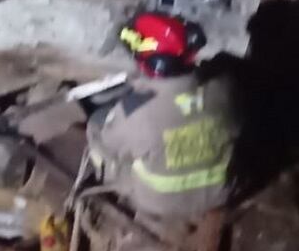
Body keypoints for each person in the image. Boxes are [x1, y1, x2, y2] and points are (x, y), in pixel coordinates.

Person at [88, 13, 239, 218]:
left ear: (145, 63)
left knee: (97, 126)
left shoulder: (134, 110)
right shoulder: (225, 88)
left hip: (157, 202)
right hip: (221, 192)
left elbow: (111, 144)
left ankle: (117, 181)